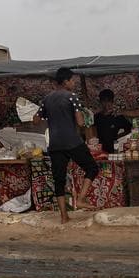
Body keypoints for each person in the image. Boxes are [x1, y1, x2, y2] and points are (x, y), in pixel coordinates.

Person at [39, 66, 99, 224]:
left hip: (54, 144)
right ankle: (81, 199)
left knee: (58, 180)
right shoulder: (72, 97)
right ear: (65, 81)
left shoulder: (47, 99)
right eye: (72, 80)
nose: (74, 83)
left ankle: (64, 217)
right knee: (92, 168)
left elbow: (36, 119)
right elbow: (80, 122)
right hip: (72, 141)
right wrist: (86, 118)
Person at [93, 88, 132, 154]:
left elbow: (130, 129)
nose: (107, 104)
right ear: (100, 102)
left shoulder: (118, 116)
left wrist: (119, 136)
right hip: (101, 151)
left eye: (109, 101)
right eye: (104, 101)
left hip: (115, 150)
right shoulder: (96, 117)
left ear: (112, 101)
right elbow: (90, 131)